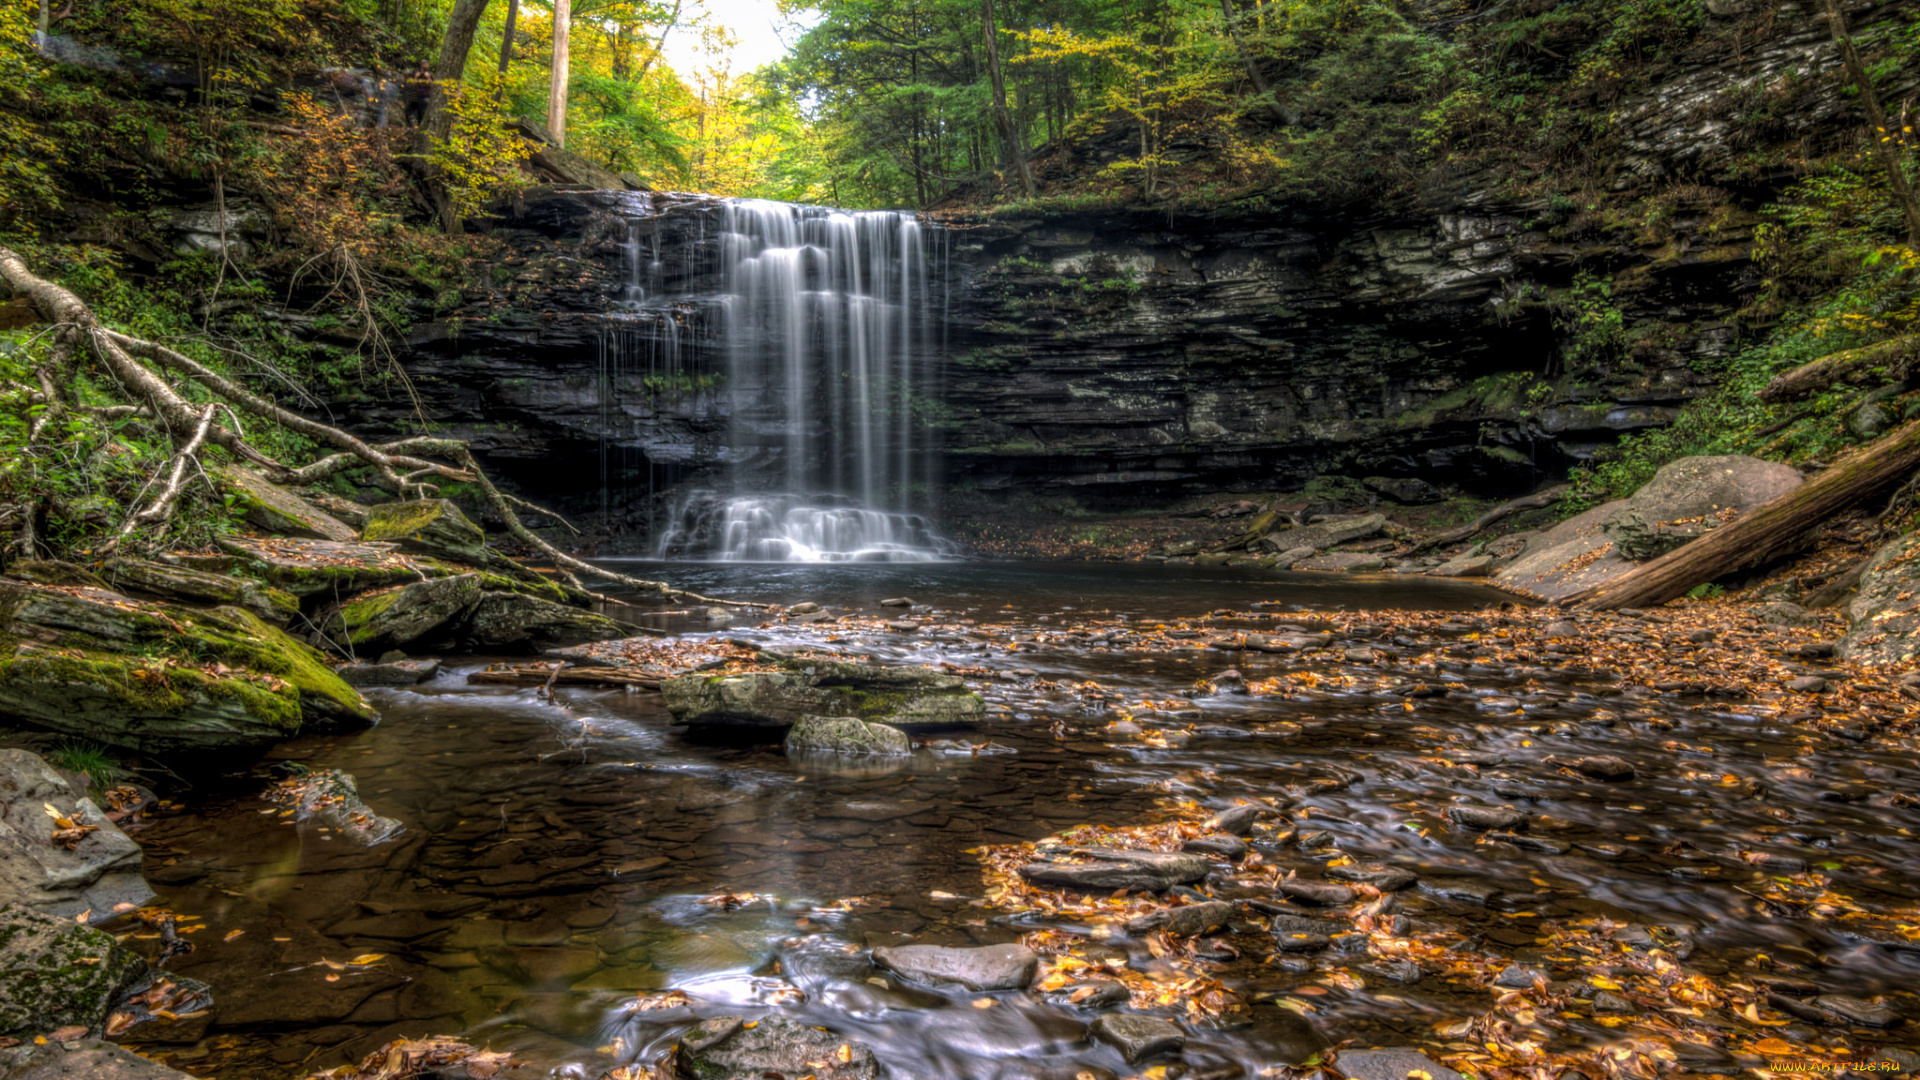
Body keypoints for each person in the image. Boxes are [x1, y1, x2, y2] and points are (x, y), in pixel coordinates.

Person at [403, 60, 434, 126]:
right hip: (415, 95)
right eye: (423, 63)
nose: (425, 65)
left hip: (425, 95)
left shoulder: (429, 73)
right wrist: (420, 74)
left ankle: (418, 126)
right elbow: (412, 79)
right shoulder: (416, 70)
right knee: (409, 110)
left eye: (426, 63)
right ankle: (413, 125)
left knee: (421, 112)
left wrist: (427, 77)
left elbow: (432, 84)